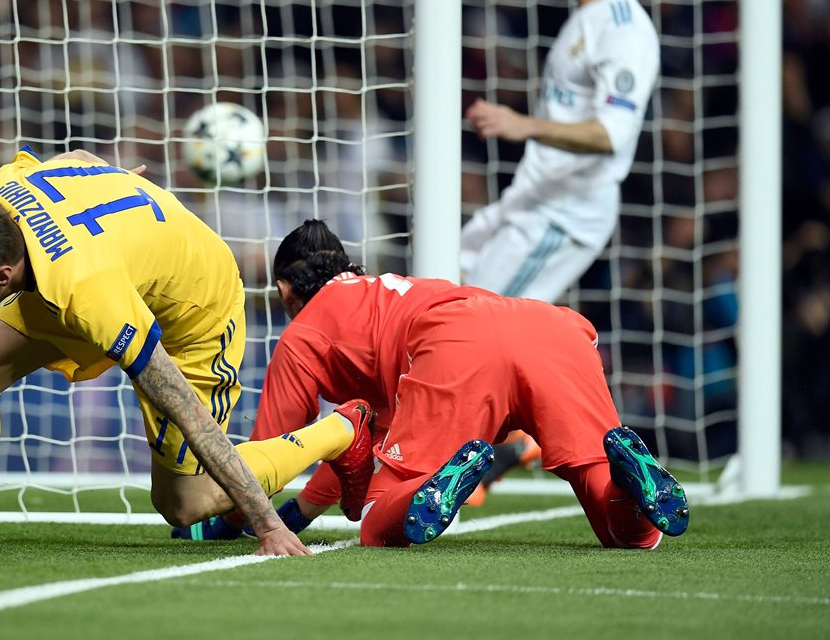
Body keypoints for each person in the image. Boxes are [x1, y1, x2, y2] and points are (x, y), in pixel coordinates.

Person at [0, 149, 374, 554]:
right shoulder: (0, 189)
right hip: (104, 268)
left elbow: (187, 411)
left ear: (2, 274)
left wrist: (268, 525)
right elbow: (82, 158)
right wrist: (114, 182)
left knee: (183, 503)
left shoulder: (89, 294)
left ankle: (342, 430)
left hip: (194, 309)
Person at [183, 220, 689, 548]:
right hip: (552, 329)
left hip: (459, 347)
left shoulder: (303, 334)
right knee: (622, 527)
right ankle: (631, 478)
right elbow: (364, 438)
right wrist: (301, 513)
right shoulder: (393, 290)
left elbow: (267, 460)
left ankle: (433, 483)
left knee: (379, 521)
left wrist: (220, 522)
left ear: (284, 290)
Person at [461, 0, 661, 501]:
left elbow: (610, 134)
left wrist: (523, 125)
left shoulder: (627, 33)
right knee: (448, 286)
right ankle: (518, 436)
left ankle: (467, 464)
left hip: (562, 214)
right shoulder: (586, 18)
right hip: (531, 200)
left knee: (473, 323)